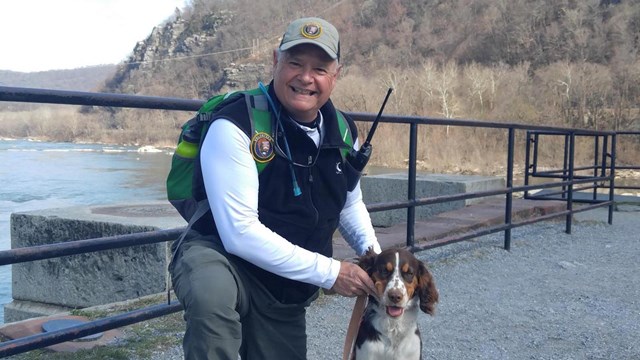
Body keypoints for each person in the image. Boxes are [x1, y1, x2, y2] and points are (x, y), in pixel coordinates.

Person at [169, 16, 381, 360]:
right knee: (212, 296)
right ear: (275, 61)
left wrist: (377, 260)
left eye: (320, 68)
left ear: (336, 75)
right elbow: (239, 233)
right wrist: (331, 273)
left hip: (284, 288)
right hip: (222, 258)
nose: (306, 77)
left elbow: (348, 203)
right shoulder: (236, 124)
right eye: (295, 63)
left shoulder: (344, 132)